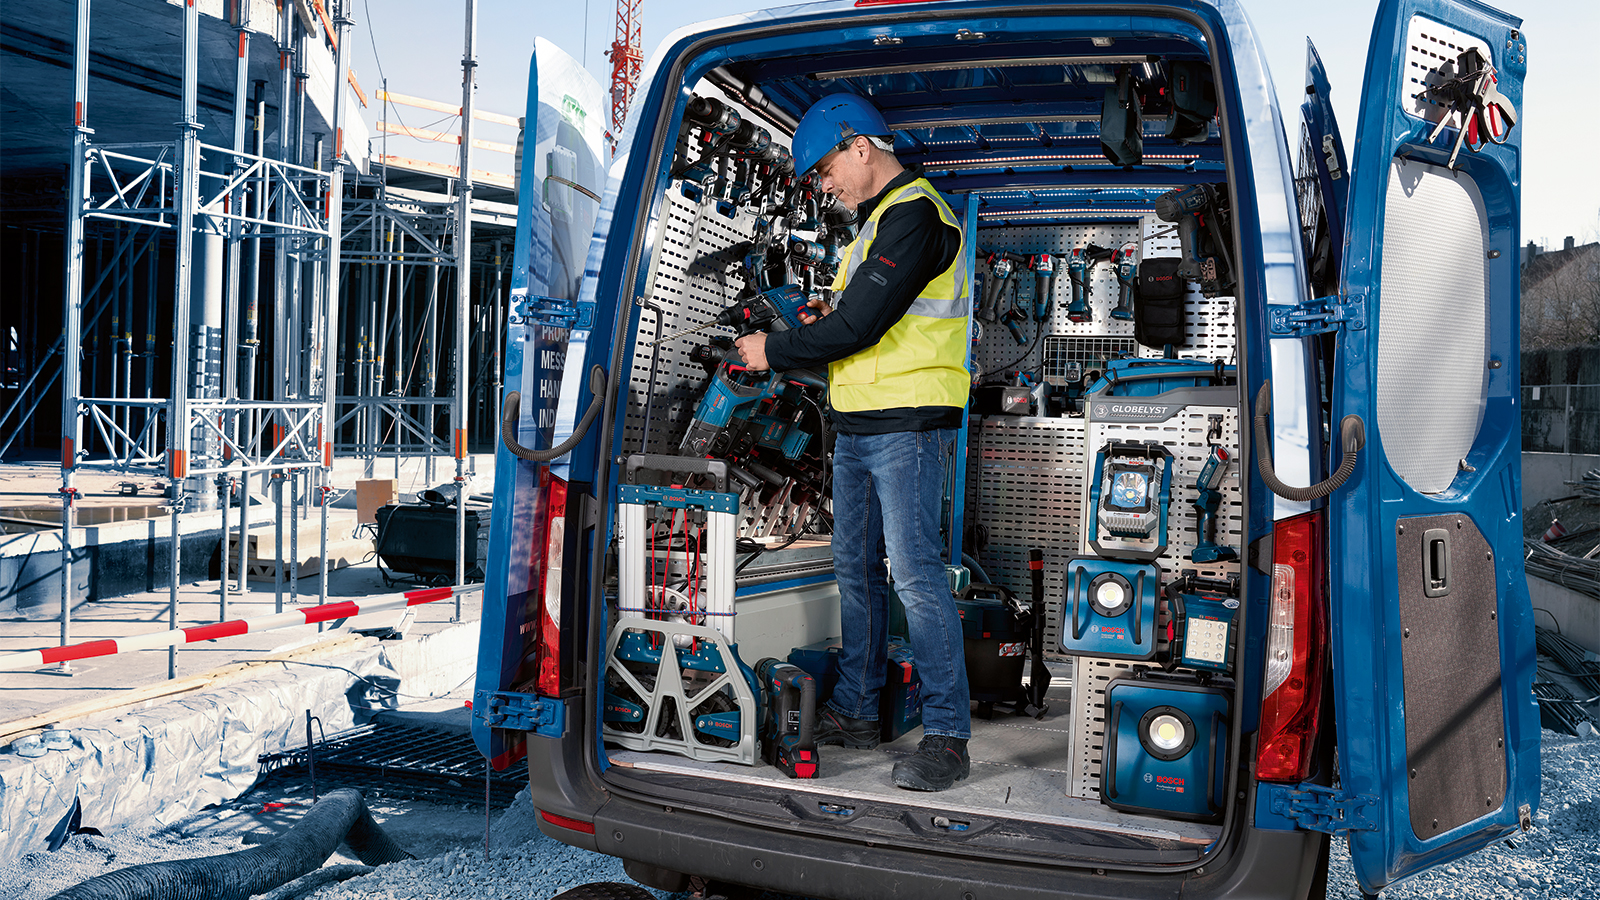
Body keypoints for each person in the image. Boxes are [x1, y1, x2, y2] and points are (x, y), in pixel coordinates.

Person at [733, 93, 973, 792]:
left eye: (825, 170)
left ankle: (949, 738)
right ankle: (859, 710)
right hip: (861, 426)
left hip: (909, 426)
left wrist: (771, 350)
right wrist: (818, 318)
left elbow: (859, 329)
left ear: (859, 146)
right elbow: (855, 322)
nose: (823, 186)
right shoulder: (875, 228)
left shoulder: (916, 216)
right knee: (857, 575)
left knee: (917, 582)